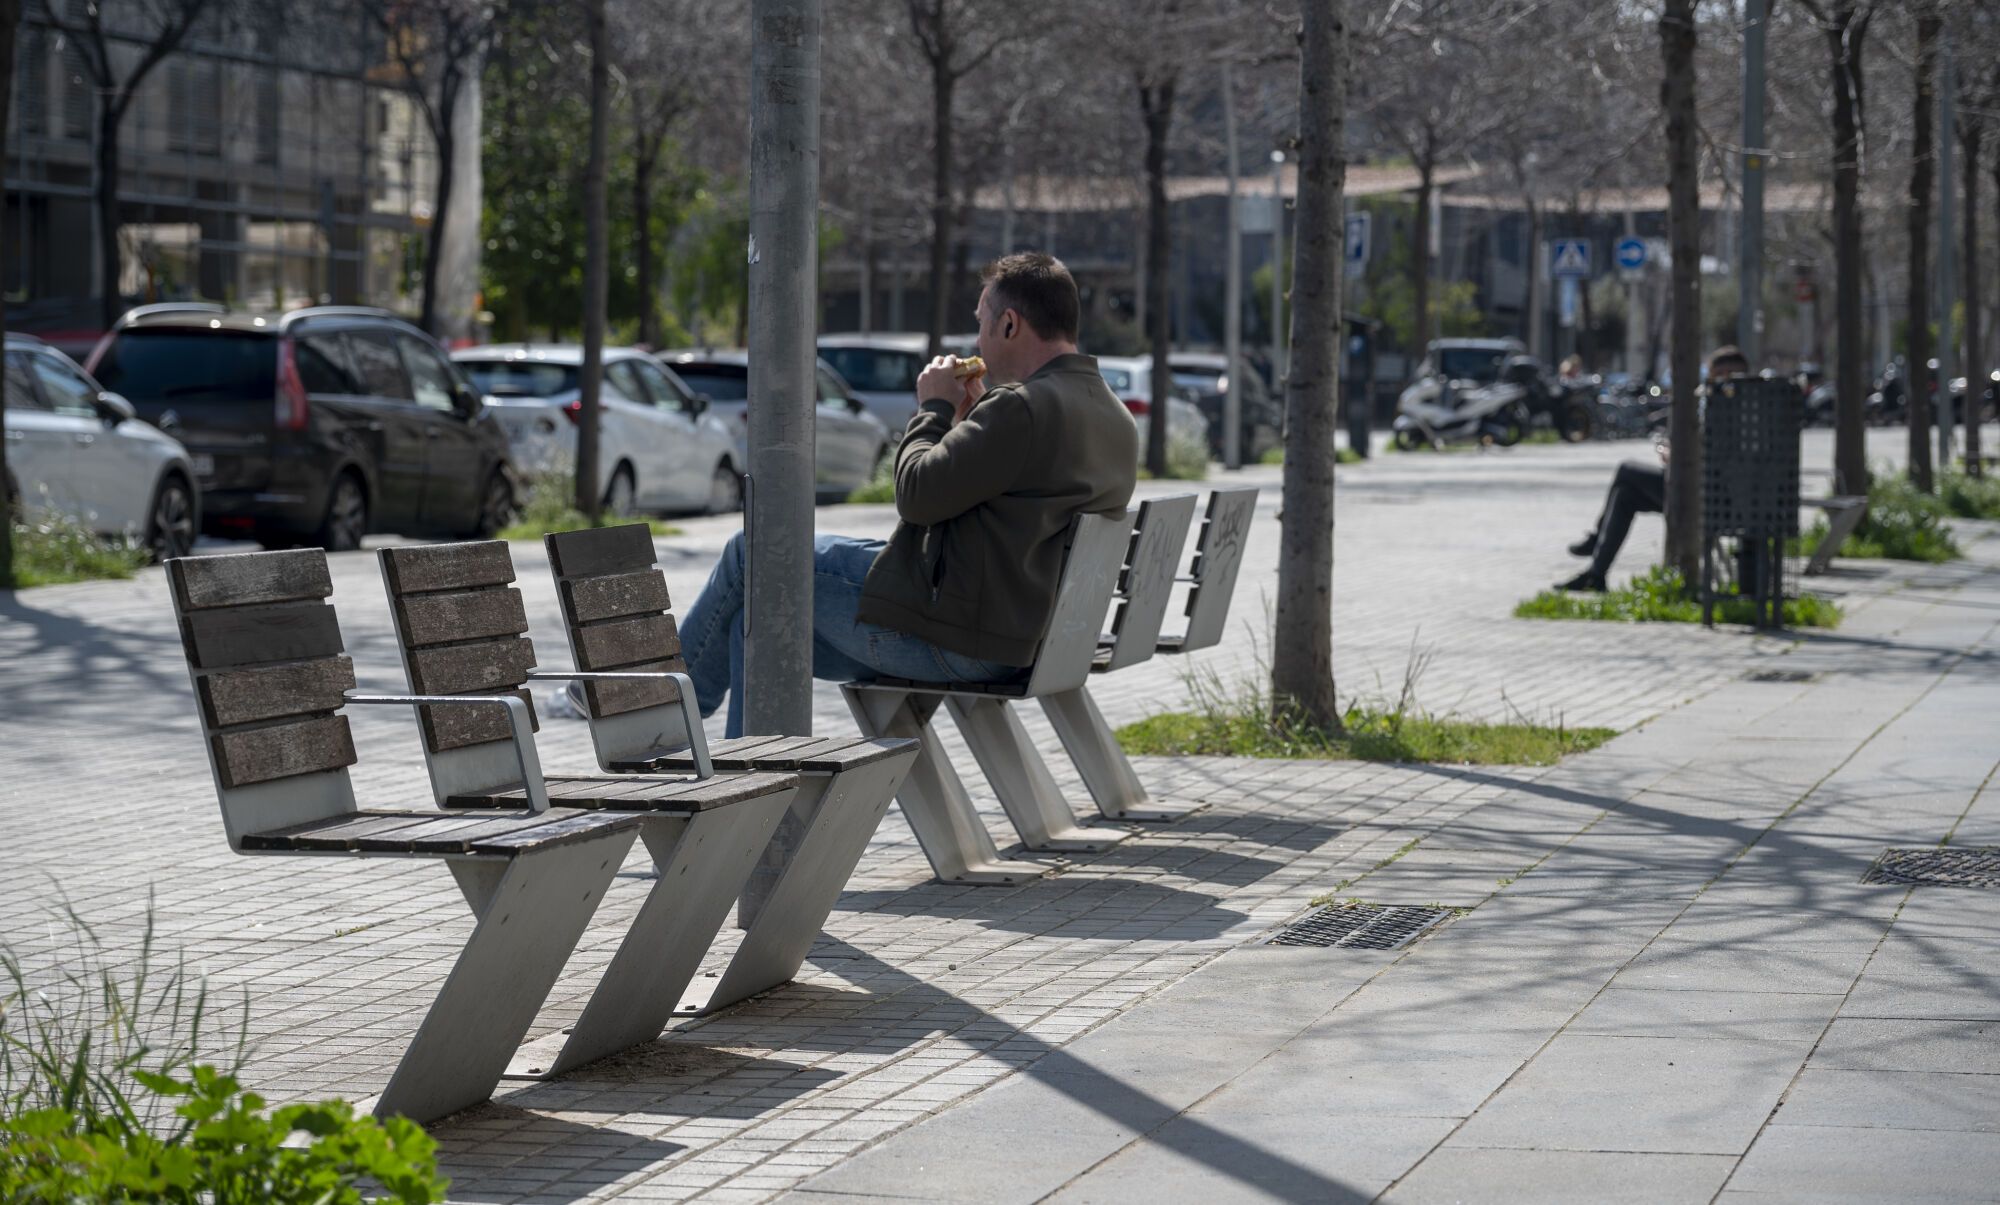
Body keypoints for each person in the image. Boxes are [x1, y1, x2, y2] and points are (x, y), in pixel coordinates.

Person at [678, 252, 1138, 736]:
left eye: (982, 323)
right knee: (754, 627)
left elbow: (916, 496)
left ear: (1008, 324)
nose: (977, 339)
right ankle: (748, 782)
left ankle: (658, 712)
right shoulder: (1110, 413)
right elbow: (1015, 479)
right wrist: (976, 416)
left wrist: (934, 407)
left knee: (753, 551)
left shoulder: (1021, 407)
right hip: (1022, 636)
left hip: (964, 638)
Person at [1556, 345, 1751, 592]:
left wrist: (1677, 459)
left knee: (1626, 470)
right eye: (1713, 376)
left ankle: (1596, 544)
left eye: (1720, 376)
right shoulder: (1734, 408)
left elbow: (1713, 460)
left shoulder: (1731, 411)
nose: (1715, 382)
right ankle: (1596, 574)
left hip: (1708, 499)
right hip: (1705, 493)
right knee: (1625, 496)